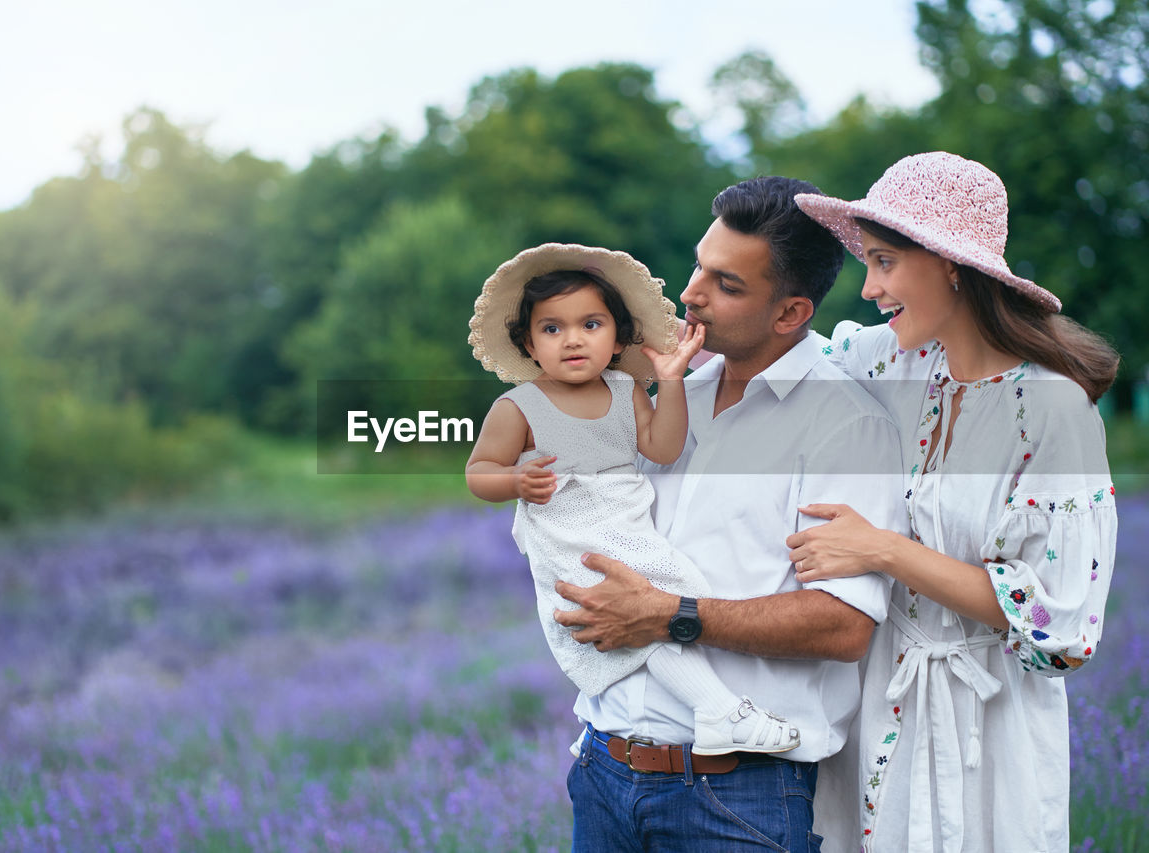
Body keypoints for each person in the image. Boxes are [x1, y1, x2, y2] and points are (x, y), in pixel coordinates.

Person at [550, 178, 909, 852]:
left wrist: (668, 613)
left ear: (790, 311)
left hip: (735, 798)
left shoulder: (845, 424)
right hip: (603, 770)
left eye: (726, 284)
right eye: (698, 265)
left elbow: (843, 623)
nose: (691, 293)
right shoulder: (672, 391)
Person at [784, 151, 1119, 851]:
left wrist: (882, 548)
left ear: (951, 265)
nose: (869, 287)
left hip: (992, 730)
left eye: (885, 262)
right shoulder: (886, 361)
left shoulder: (1053, 410)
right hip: (881, 708)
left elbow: (1063, 627)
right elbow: (784, 353)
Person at [465, 243, 801, 756]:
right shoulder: (519, 406)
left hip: (624, 521)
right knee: (632, 616)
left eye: (590, 325)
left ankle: (615, 719)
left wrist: (669, 383)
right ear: (529, 345)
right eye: (551, 329)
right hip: (570, 534)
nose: (571, 340)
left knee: (657, 604)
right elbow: (479, 472)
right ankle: (717, 711)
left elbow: (662, 447)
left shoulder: (626, 392)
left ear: (618, 336)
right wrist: (513, 482)